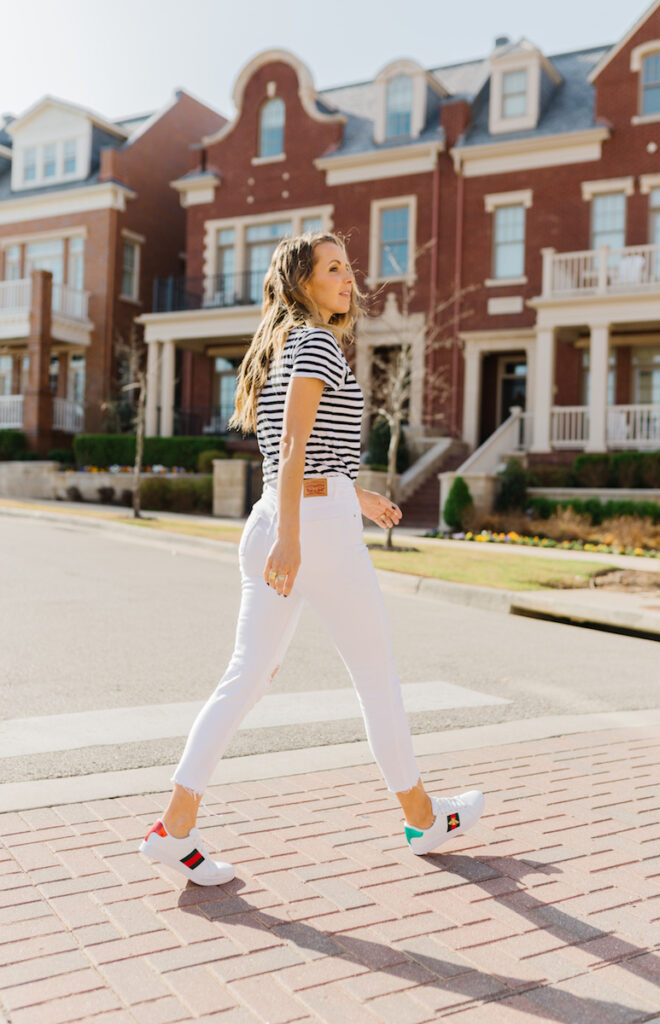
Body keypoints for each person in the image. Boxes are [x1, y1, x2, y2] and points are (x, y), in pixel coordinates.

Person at [139, 231, 484, 885]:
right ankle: (421, 818)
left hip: (285, 514)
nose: (346, 278)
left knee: (246, 678)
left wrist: (356, 496)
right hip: (306, 528)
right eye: (332, 268)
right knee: (375, 677)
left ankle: (173, 826)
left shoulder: (282, 343)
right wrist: (296, 538)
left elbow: (303, 453)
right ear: (301, 282)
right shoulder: (315, 343)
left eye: (346, 267)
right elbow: (294, 445)